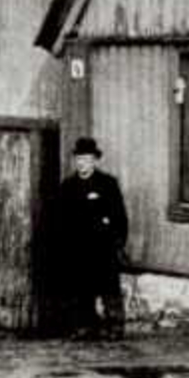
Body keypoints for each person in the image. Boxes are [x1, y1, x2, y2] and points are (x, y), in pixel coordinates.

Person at [54, 137, 129, 339]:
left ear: (95, 161)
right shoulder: (67, 186)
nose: (82, 163)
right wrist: (63, 246)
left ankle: (114, 326)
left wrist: (118, 242)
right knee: (80, 288)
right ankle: (84, 326)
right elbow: (60, 219)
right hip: (78, 248)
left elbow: (119, 217)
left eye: (87, 159)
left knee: (109, 287)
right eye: (79, 159)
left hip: (103, 247)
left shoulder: (107, 184)